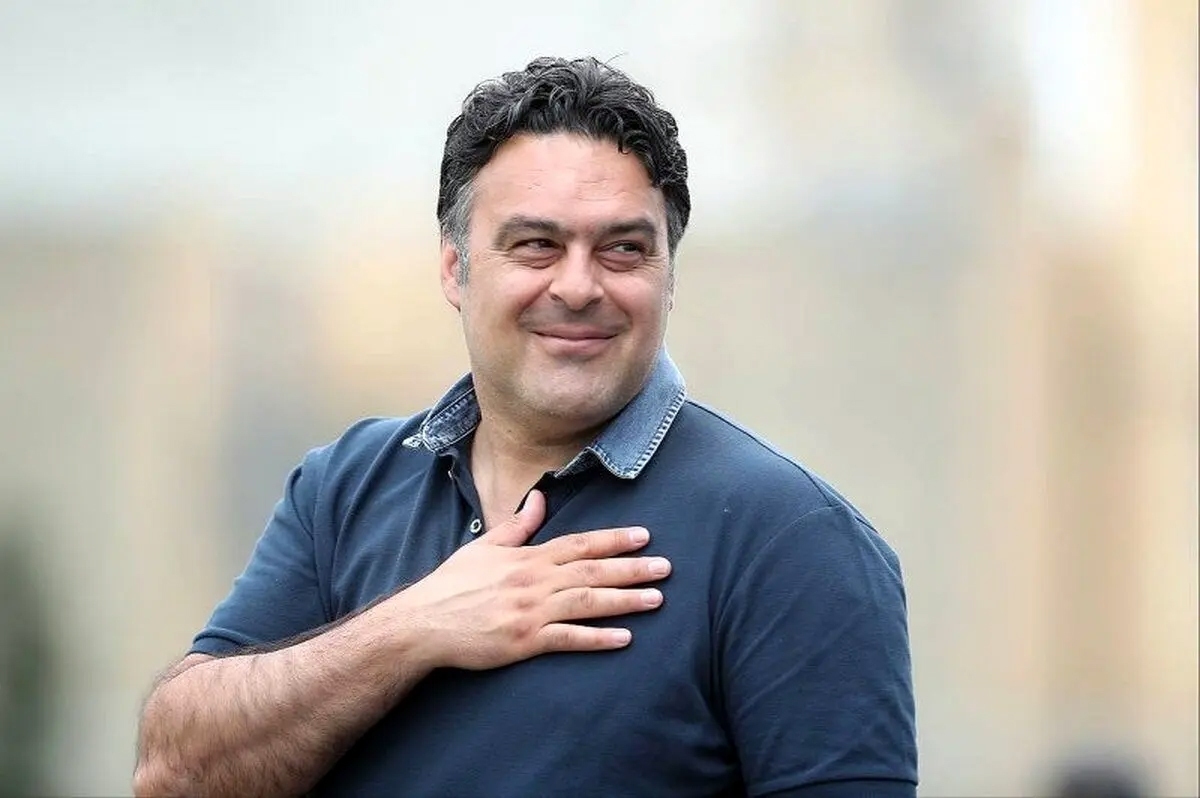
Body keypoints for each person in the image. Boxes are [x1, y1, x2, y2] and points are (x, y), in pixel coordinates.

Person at [133, 56, 918, 797]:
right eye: (536, 245)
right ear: (455, 268)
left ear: (669, 276)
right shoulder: (344, 487)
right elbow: (174, 771)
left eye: (623, 249)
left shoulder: (792, 541)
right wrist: (412, 627)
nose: (578, 287)